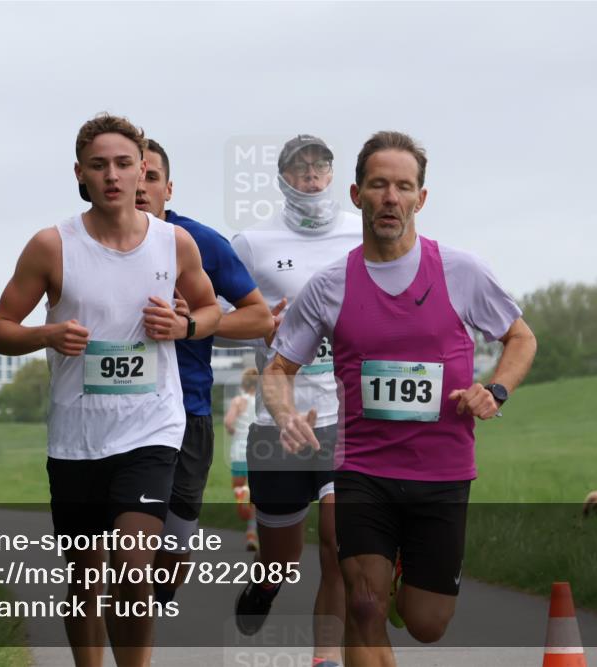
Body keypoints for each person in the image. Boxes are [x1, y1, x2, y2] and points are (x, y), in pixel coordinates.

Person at [262, 131, 536, 663]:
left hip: (442, 470)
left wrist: (496, 390)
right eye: (379, 184)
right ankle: (376, 580)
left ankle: (404, 576)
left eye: (403, 187)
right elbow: (278, 368)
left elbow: (521, 338)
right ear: (356, 194)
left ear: (421, 199)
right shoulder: (330, 284)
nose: (391, 197)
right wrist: (285, 412)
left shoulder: (462, 271)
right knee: (363, 607)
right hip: (364, 469)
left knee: (427, 623)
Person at [0, 113, 220, 667]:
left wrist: (185, 326)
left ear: (143, 171)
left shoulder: (174, 243)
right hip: (77, 438)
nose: (112, 175)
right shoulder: (51, 246)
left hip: (152, 429)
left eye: (122, 163)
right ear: (80, 174)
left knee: (133, 564)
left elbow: (210, 309)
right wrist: (46, 332)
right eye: (98, 165)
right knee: (86, 578)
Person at [227, 134, 361, 667]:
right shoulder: (252, 244)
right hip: (277, 421)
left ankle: (324, 658)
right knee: (281, 559)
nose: (310, 176)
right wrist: (263, 325)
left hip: (344, 418)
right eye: (299, 168)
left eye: (319, 166)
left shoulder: (362, 233)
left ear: (332, 174)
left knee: (337, 545)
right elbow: (215, 321)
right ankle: (266, 588)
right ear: (281, 179)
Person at [135, 138, 271, 604]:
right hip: (115, 415)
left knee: (170, 556)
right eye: (132, 176)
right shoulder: (81, 243)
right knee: (126, 552)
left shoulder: (199, 244)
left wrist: (191, 325)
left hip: (187, 411)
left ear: (168, 189)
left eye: (150, 178)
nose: (140, 187)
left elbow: (259, 317)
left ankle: (152, 603)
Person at [225, 367, 260, 551]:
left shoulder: (238, 401)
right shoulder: (263, 402)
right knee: (255, 493)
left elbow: (229, 422)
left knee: (239, 488)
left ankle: (246, 513)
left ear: (244, 383)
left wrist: (233, 431)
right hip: (259, 454)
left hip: (239, 453)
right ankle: (252, 531)